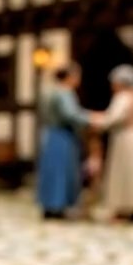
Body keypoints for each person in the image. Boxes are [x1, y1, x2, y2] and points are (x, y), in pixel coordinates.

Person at [91, 64, 133, 222]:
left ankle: (123, 208)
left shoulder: (123, 97)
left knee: (124, 173)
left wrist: (98, 121)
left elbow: (114, 117)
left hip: (125, 137)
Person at [37, 63, 91, 219]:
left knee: (52, 170)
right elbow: (71, 115)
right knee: (61, 171)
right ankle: (57, 205)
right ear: (70, 77)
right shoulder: (64, 93)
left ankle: (49, 204)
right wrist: (90, 119)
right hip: (63, 135)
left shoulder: (49, 91)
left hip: (51, 134)